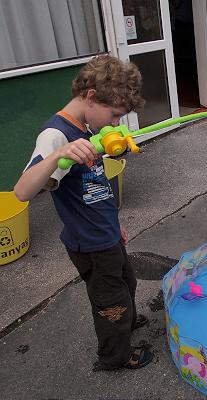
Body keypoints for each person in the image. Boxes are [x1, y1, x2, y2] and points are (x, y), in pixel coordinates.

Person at [13, 55, 153, 371]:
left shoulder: (86, 127)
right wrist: (57, 155)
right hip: (90, 243)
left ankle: (126, 323)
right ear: (91, 96)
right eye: (114, 115)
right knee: (110, 303)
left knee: (127, 282)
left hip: (106, 233)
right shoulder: (56, 135)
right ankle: (115, 356)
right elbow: (22, 191)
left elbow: (96, 186)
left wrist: (115, 224)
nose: (115, 124)